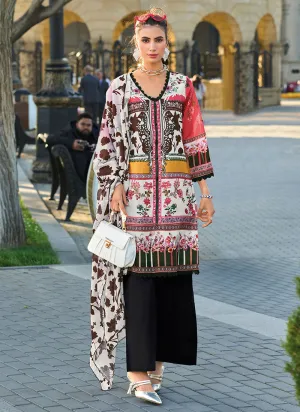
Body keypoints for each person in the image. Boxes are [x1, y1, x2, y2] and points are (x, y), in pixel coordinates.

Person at [90, 7, 215, 405]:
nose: (153, 47)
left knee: (174, 279)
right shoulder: (120, 89)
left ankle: (158, 364)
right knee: (139, 281)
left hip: (178, 199)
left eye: (159, 40)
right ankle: (136, 372)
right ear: (136, 44)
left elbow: (195, 139)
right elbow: (107, 141)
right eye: (145, 40)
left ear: (167, 42)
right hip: (137, 200)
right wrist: (112, 185)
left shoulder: (182, 86)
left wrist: (206, 195)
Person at [47, 113, 98, 183]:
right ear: (77, 124)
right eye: (83, 124)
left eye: (88, 125)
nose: (86, 127)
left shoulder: (96, 132)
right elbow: (50, 139)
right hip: (77, 171)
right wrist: (71, 143)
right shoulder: (69, 131)